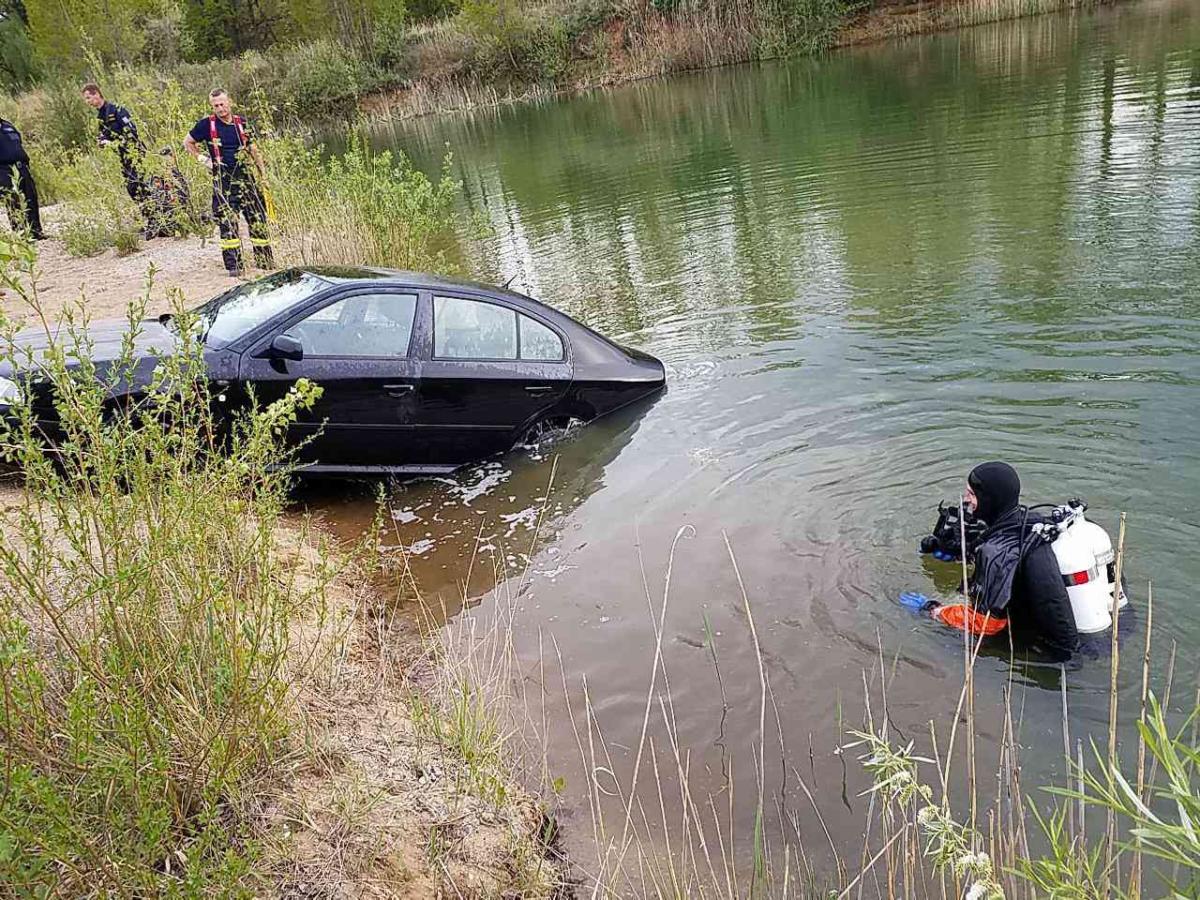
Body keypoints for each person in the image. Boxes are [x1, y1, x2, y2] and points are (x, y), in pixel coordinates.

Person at [913, 461, 1078, 661]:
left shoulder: (996, 552)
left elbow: (985, 624)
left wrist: (933, 609)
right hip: (1081, 636)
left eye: (971, 494)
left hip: (1045, 652)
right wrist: (958, 552)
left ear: (989, 499)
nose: (966, 500)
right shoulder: (1032, 523)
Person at [183, 89, 274, 275]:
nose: (220, 108)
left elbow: (254, 151)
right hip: (223, 182)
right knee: (227, 224)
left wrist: (263, 176)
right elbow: (188, 142)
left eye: (222, 104)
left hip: (246, 179)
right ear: (212, 106)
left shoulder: (242, 124)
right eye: (216, 105)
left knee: (258, 218)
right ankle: (235, 267)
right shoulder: (206, 125)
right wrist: (203, 159)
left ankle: (264, 261)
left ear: (229, 102)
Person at [82, 83, 148, 226]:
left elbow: (132, 133)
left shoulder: (117, 110)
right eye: (86, 99)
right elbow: (105, 135)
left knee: (140, 186)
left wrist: (112, 143)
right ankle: (149, 219)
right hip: (123, 156)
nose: (88, 102)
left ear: (97, 94)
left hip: (135, 153)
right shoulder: (101, 116)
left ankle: (155, 219)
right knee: (132, 189)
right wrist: (102, 141)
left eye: (88, 98)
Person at [0, 117, 44, 240]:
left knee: (30, 197)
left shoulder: (8, 125)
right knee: (13, 200)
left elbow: (19, 142)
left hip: (22, 167)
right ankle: (21, 233)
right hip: (4, 169)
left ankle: (35, 230)